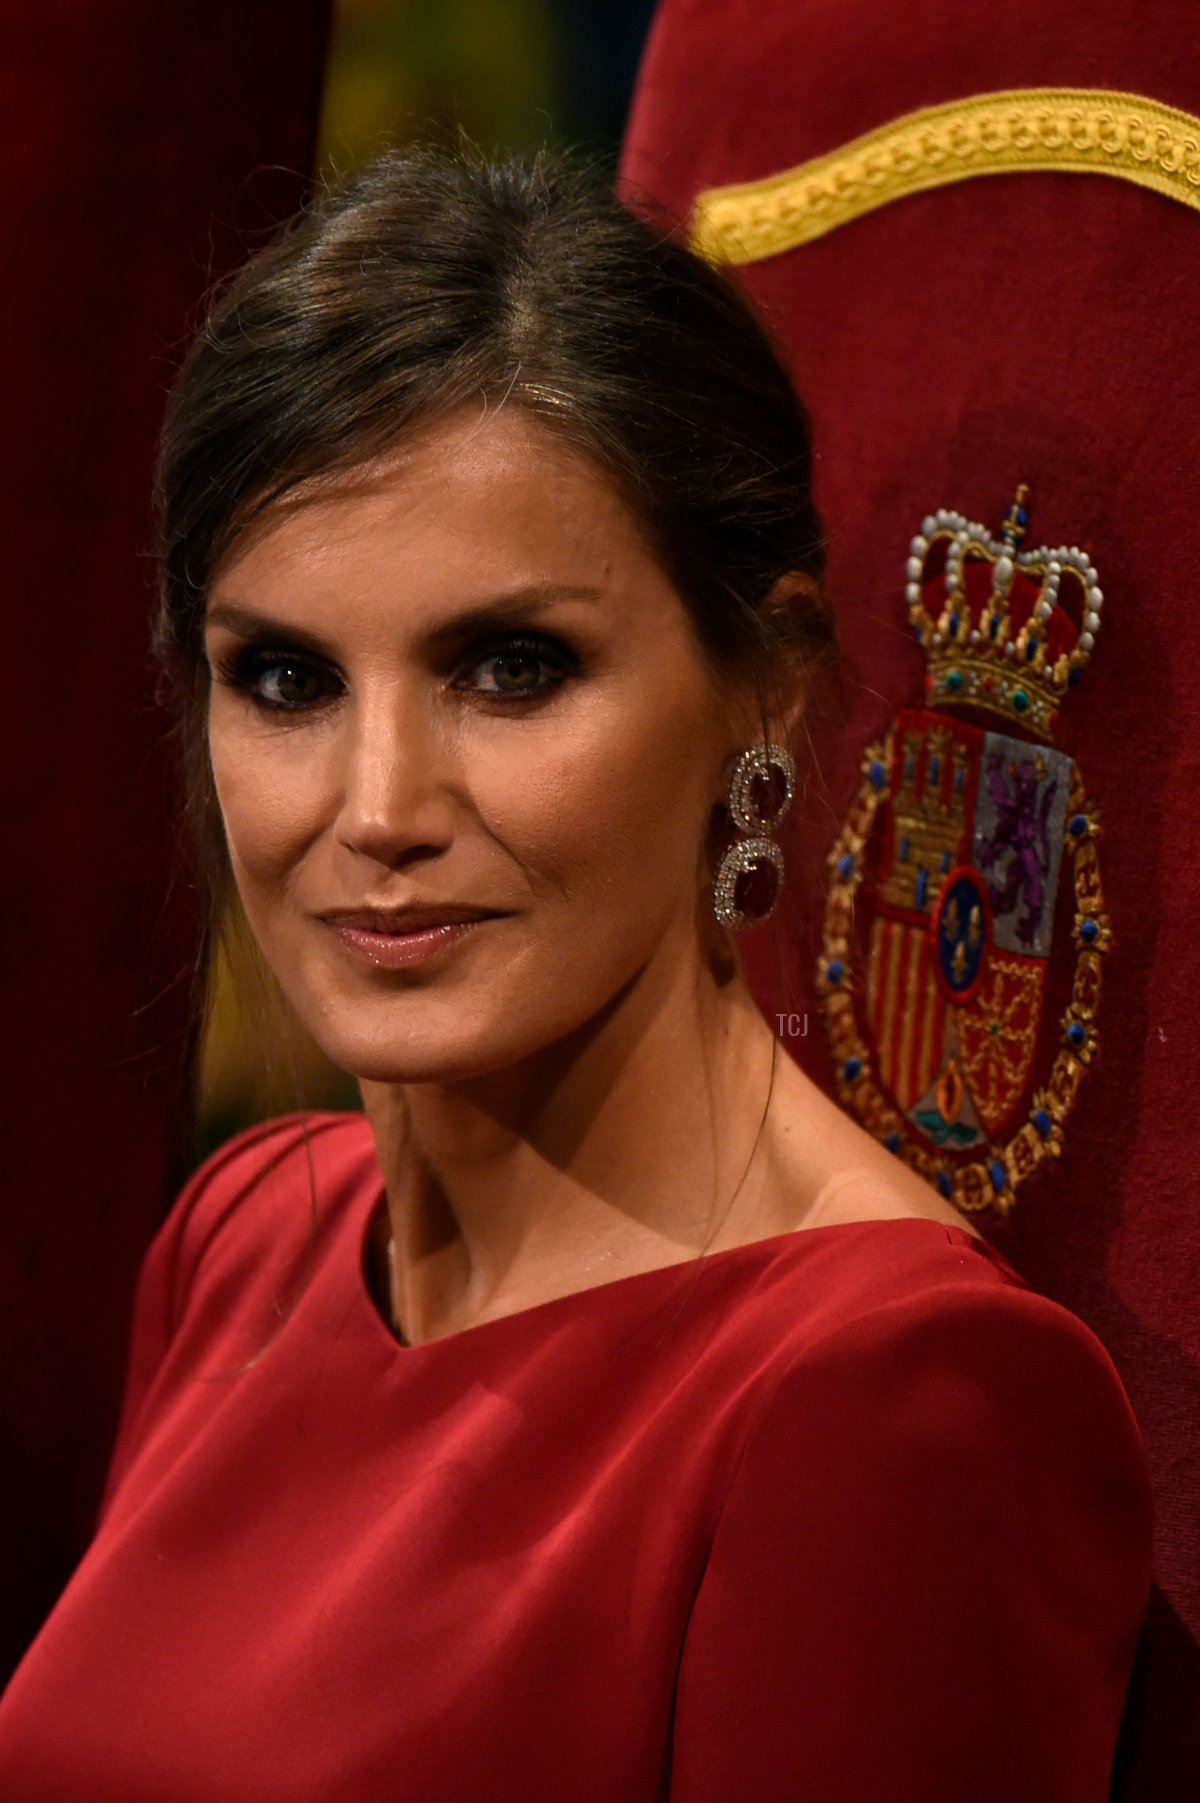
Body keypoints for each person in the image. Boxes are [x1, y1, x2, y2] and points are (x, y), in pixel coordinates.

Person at [0, 147, 1152, 1801]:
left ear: (762, 685)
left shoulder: (901, 1403)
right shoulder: (246, 1236)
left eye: (512, 668)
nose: (380, 808)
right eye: (286, 679)